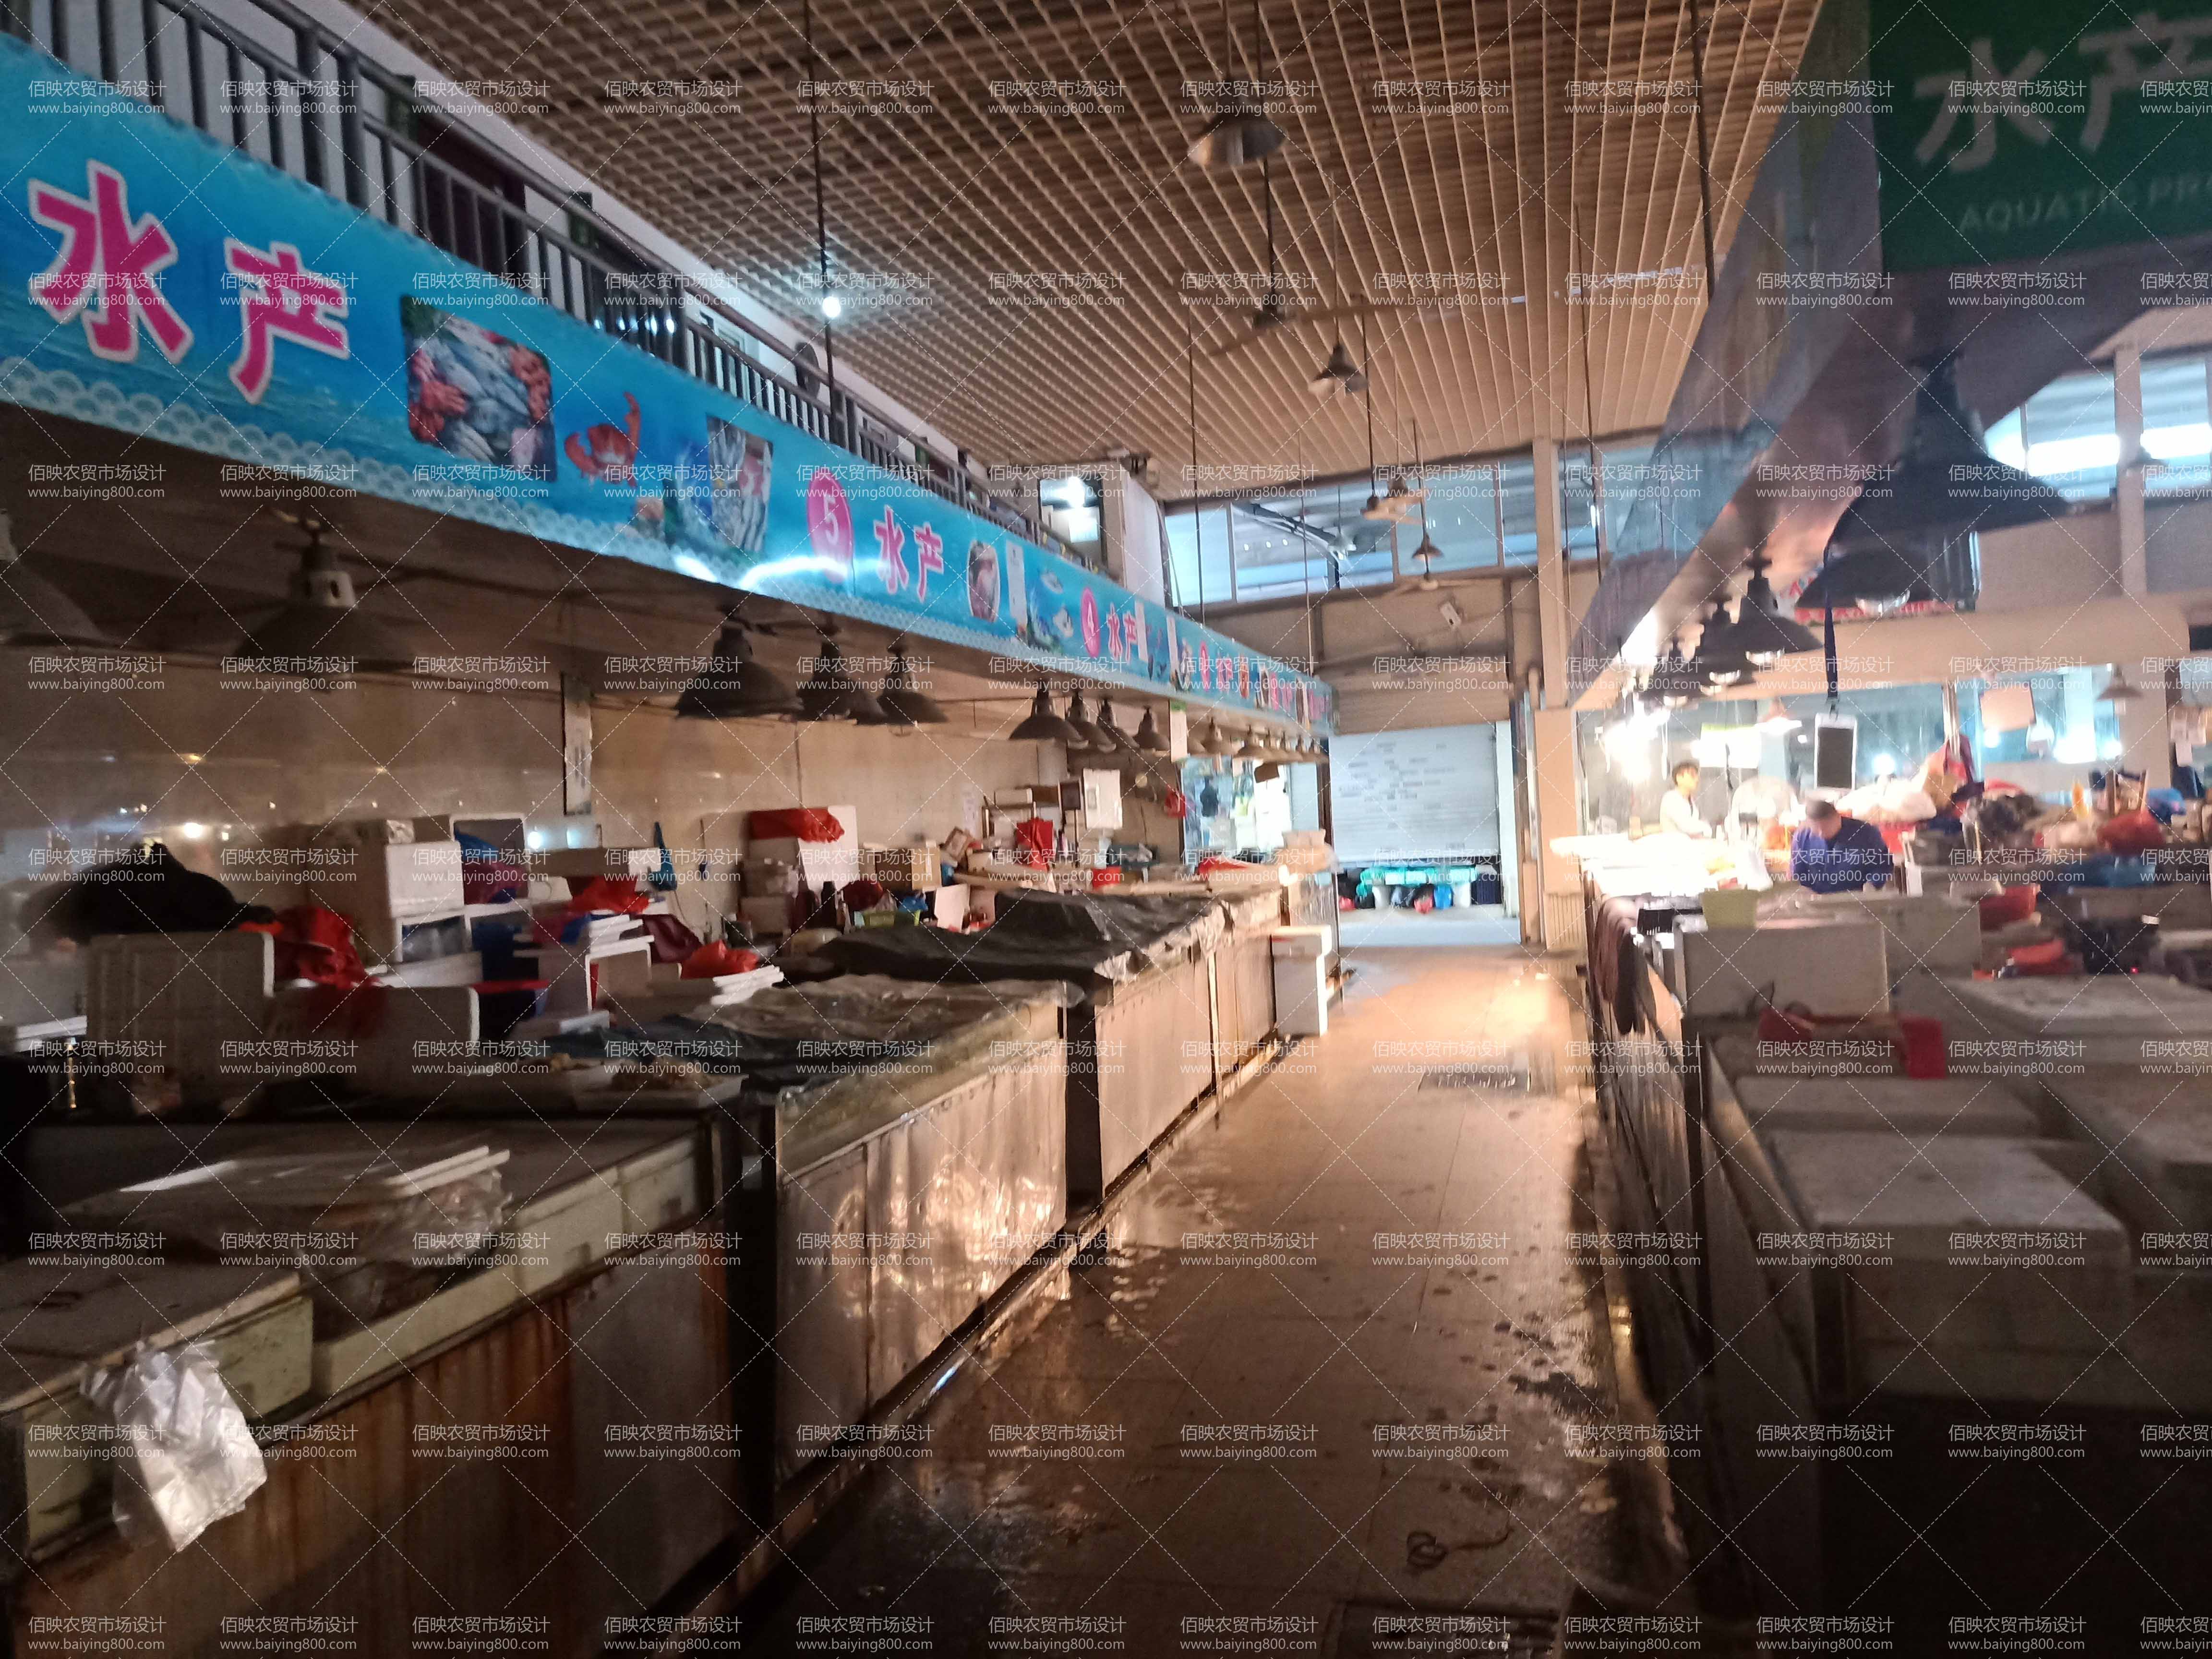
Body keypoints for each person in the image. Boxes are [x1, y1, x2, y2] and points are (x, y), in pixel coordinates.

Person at [1790, 797, 1894, 892]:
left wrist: (1872, 884)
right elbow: (1798, 873)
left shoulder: (1867, 833)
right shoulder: (1802, 837)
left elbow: (1883, 865)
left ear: (1838, 818)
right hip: (1816, 900)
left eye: (1826, 827)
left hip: (1855, 899)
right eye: (1816, 830)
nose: (1821, 833)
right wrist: (1802, 890)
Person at [1658, 760, 1711, 838]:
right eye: (1693, 776)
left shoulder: (1691, 801)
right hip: (1674, 844)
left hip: (1690, 843)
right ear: (1679, 778)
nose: (1697, 780)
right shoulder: (1671, 798)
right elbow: (1687, 826)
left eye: (1697, 776)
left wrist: (1705, 829)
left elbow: (1700, 825)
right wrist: (1705, 828)